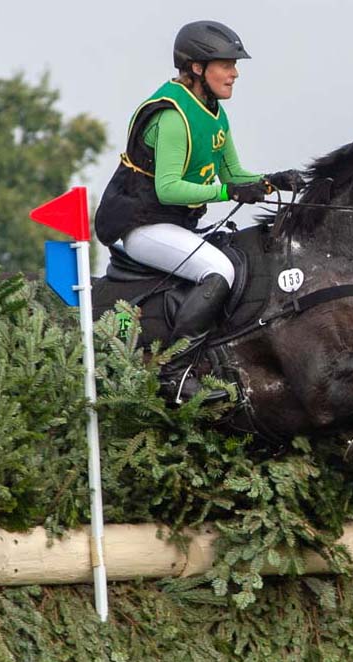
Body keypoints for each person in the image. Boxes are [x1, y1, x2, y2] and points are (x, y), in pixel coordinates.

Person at [95, 20, 303, 404]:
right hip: (143, 225)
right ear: (197, 68)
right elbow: (169, 188)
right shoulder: (174, 117)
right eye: (226, 64)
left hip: (178, 223)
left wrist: (274, 181)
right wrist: (228, 191)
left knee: (243, 254)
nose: (235, 73)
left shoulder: (213, 111)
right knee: (219, 270)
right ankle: (173, 374)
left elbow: (234, 174)